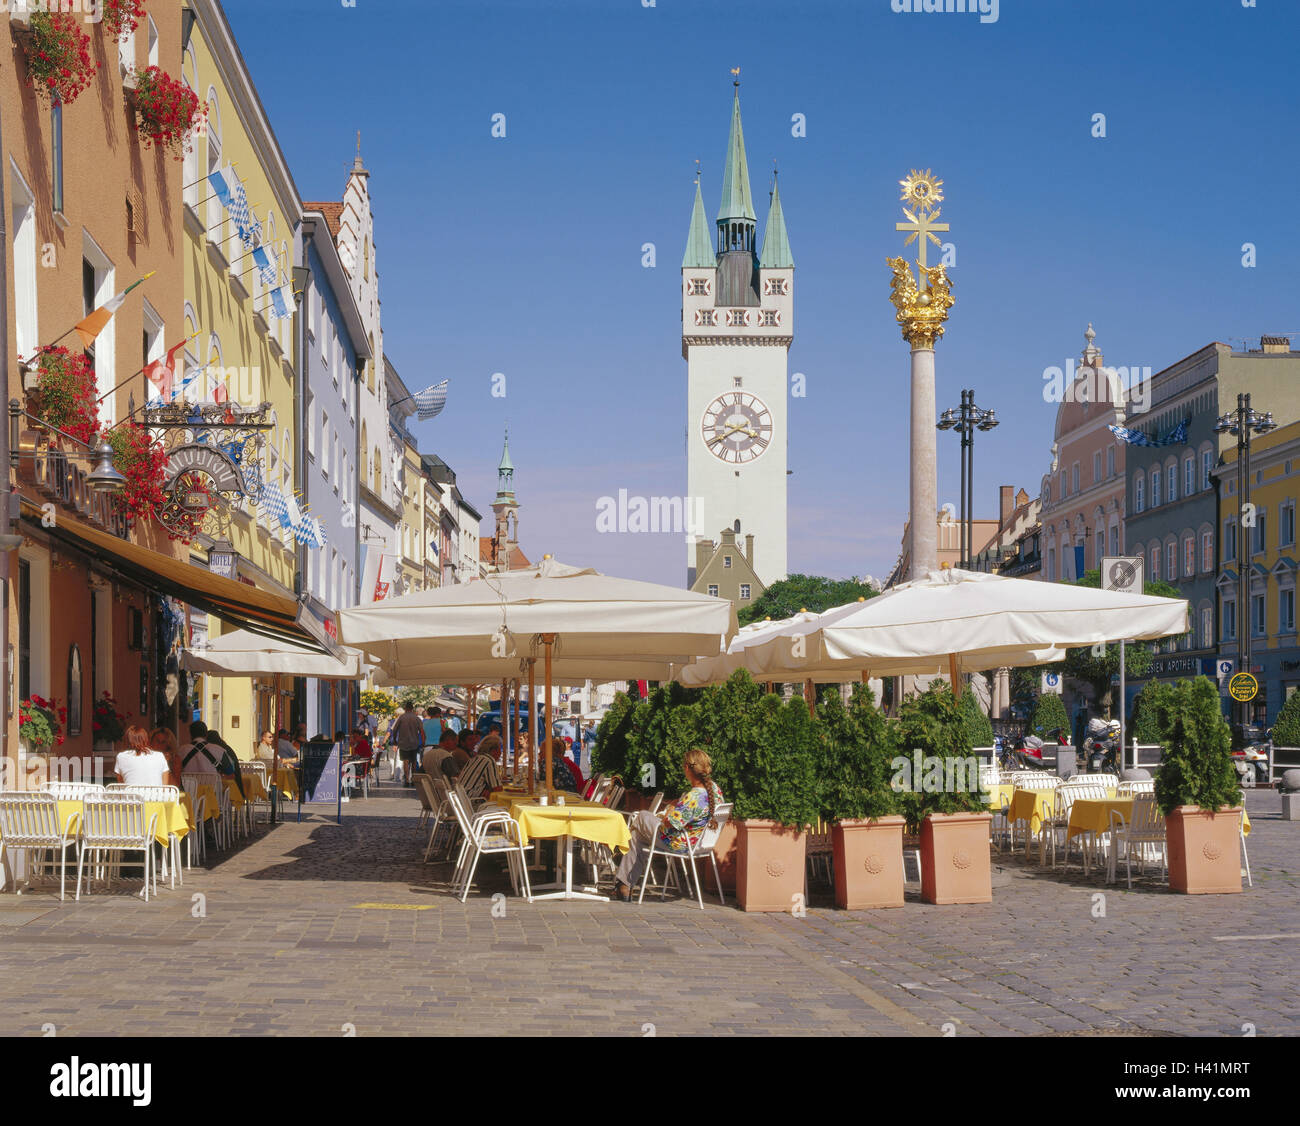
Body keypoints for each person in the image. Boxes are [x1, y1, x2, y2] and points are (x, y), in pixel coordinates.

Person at [614, 748, 723, 902]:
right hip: (697, 841)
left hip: (677, 842)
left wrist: (669, 811)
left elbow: (671, 823)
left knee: (642, 816)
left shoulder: (694, 796)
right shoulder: (714, 789)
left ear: (687, 768)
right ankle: (623, 884)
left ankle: (621, 857)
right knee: (637, 836)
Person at [393, 699, 426, 786]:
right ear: (412, 709)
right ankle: (413, 779)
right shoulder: (417, 718)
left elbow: (395, 729)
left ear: (405, 708)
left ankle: (407, 780)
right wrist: (423, 742)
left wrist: (395, 740)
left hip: (403, 743)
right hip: (414, 743)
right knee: (414, 761)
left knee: (406, 762)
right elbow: (422, 731)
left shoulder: (401, 717)